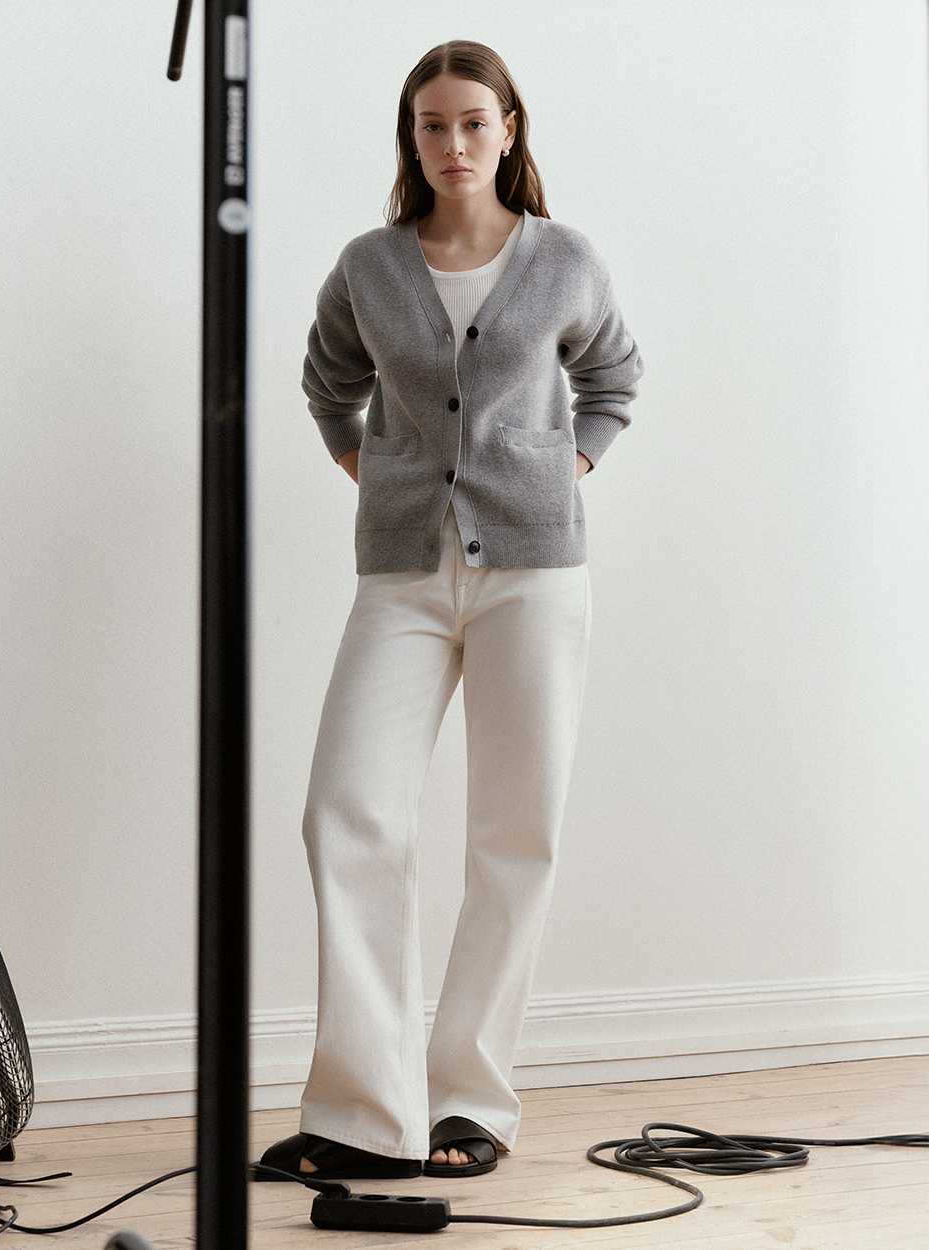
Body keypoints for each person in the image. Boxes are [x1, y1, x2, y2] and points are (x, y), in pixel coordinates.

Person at [258, 39, 642, 1183]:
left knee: (512, 832)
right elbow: (329, 379)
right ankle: (364, 1111)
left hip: (534, 570)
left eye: (475, 121)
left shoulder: (563, 258)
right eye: (433, 124)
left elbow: (615, 376)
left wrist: (567, 463)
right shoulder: (370, 265)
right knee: (350, 809)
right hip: (404, 574)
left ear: (509, 130)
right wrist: (368, 468)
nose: (455, 143)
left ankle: (468, 1098)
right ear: (410, 138)